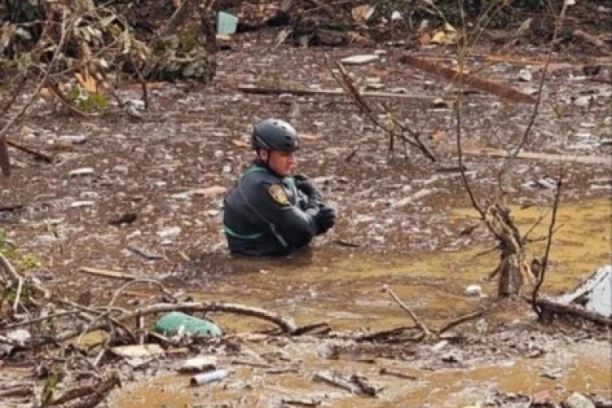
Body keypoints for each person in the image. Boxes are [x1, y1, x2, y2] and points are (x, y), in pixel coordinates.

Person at [222, 118, 336, 257]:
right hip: (258, 262)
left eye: (293, 153)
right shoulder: (261, 186)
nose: (292, 161)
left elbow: (303, 220)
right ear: (264, 154)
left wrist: (319, 218)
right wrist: (314, 199)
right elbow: (303, 232)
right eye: (285, 154)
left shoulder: (274, 175)